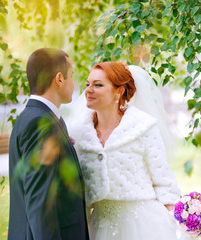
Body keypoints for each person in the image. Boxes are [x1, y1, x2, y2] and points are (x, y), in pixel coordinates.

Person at [68, 62, 190, 240]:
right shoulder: (78, 134)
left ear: (119, 91)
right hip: (99, 226)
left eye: (98, 85)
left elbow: (164, 181)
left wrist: (182, 225)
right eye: (88, 84)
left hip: (144, 226)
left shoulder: (143, 127)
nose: (88, 90)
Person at [8, 48, 89, 240]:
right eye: (71, 76)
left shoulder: (38, 117)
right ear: (59, 79)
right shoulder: (40, 124)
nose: (74, 83)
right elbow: (40, 205)